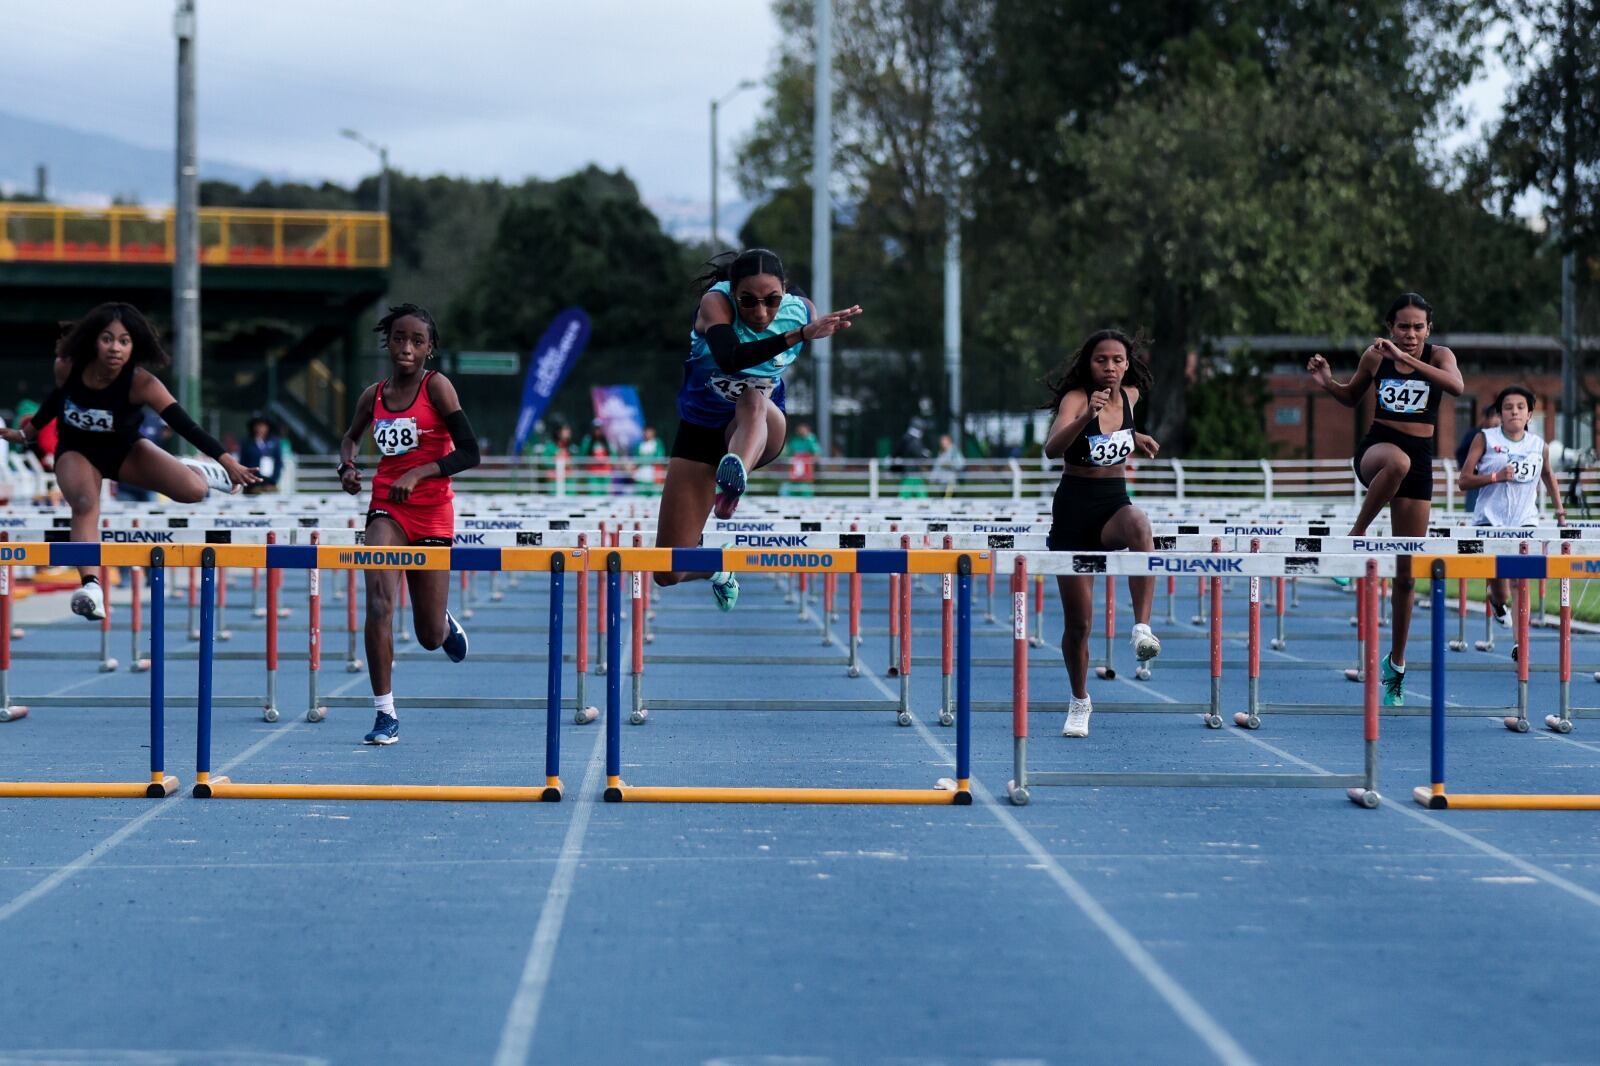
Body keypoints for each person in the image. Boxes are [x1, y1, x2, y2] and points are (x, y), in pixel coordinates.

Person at [0, 302, 259, 620]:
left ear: (135, 346)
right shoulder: (67, 367)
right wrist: (28, 434)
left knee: (192, 491)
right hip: (77, 452)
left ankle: (202, 471)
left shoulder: (143, 383)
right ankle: (92, 587)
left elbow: (185, 425)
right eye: (108, 339)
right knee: (84, 504)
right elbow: (57, 400)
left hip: (125, 452)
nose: (115, 348)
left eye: (124, 341)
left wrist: (226, 461)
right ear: (95, 340)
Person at [653, 248, 861, 609]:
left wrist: (805, 328)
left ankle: (735, 476)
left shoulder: (802, 311)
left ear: (784, 292)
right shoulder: (714, 305)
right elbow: (729, 358)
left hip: (760, 428)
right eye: (748, 301)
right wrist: (798, 335)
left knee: (751, 398)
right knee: (666, 571)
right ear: (733, 293)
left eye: (771, 301)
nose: (761, 312)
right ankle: (719, 566)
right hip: (700, 434)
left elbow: (790, 331)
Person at [1306, 292, 1464, 706]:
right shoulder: (1376, 357)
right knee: (1395, 462)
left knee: (1408, 574)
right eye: (1402, 327)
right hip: (1378, 450)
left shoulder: (1440, 355)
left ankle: (1396, 665)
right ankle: (1355, 537)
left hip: (1421, 459)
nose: (1409, 335)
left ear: (1428, 329)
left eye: (1417, 327)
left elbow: (1457, 388)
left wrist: (1409, 359)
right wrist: (1327, 384)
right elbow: (1351, 396)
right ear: (1390, 326)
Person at [337, 303, 480, 745]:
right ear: (388, 342)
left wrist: (419, 473)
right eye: (399, 338)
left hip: (433, 510)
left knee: (428, 635)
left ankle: (443, 623)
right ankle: (385, 713)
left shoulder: (438, 388)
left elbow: (470, 452)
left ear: (429, 349)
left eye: (417, 341)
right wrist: (347, 467)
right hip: (387, 508)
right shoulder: (373, 395)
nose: (406, 347)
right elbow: (350, 438)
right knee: (379, 601)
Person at [1042, 329, 1163, 737]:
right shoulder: (1076, 398)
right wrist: (1085, 418)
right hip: (1074, 510)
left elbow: (1115, 439)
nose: (1109, 367)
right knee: (1079, 625)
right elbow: (1052, 448)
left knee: (1140, 522)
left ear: (1127, 364)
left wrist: (1134, 436)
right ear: (1088, 364)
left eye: (1116, 360)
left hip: (1112, 504)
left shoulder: (1131, 396)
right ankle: (1079, 701)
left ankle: (1142, 628)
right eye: (1100, 360)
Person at [1457, 385, 1564, 645]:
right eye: (1508, 407)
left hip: (1524, 521)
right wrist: (1495, 476)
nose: (1514, 412)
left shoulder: (1538, 445)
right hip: (1489, 520)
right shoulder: (1485, 438)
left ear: (1529, 415)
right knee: (1501, 589)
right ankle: (1496, 601)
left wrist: (1560, 510)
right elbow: (1463, 481)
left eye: (1520, 407)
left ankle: (1520, 645)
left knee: (1519, 582)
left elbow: (1548, 475)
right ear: (1500, 413)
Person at [1454, 401, 1500, 516]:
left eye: (1498, 416)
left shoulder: (1502, 436)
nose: (1496, 420)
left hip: (1496, 480)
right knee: (1472, 512)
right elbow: (1460, 452)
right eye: (1493, 416)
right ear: (1485, 418)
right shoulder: (1475, 434)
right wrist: (1471, 469)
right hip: (1477, 481)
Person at [238, 414, 285, 494]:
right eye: (257, 426)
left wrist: (273, 481)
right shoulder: (247, 442)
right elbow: (243, 463)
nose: (259, 428)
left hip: (270, 483)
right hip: (253, 484)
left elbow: (278, 463)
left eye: (262, 426)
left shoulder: (274, 442)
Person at [930, 433, 965, 497]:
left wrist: (950, 464)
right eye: (942, 442)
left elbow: (961, 464)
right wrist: (932, 478)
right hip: (942, 483)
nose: (943, 444)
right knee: (944, 501)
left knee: (948, 501)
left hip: (951, 482)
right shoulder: (941, 452)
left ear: (949, 441)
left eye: (944, 442)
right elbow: (937, 466)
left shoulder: (954, 451)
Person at [633, 424, 664, 496]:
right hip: (641, 474)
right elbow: (636, 459)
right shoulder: (639, 444)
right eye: (646, 431)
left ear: (653, 432)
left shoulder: (657, 443)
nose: (647, 433)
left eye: (649, 431)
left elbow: (659, 458)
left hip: (654, 474)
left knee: (655, 496)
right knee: (641, 496)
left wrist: (646, 460)